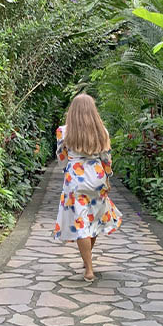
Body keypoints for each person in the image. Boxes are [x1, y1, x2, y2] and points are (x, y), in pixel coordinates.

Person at [52, 93, 123, 281]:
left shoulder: (64, 131)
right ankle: (87, 259)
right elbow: (106, 159)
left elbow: (61, 158)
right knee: (94, 220)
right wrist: (107, 178)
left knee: (81, 222)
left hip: (75, 179)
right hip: (97, 177)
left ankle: (88, 269)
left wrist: (69, 168)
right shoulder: (102, 131)